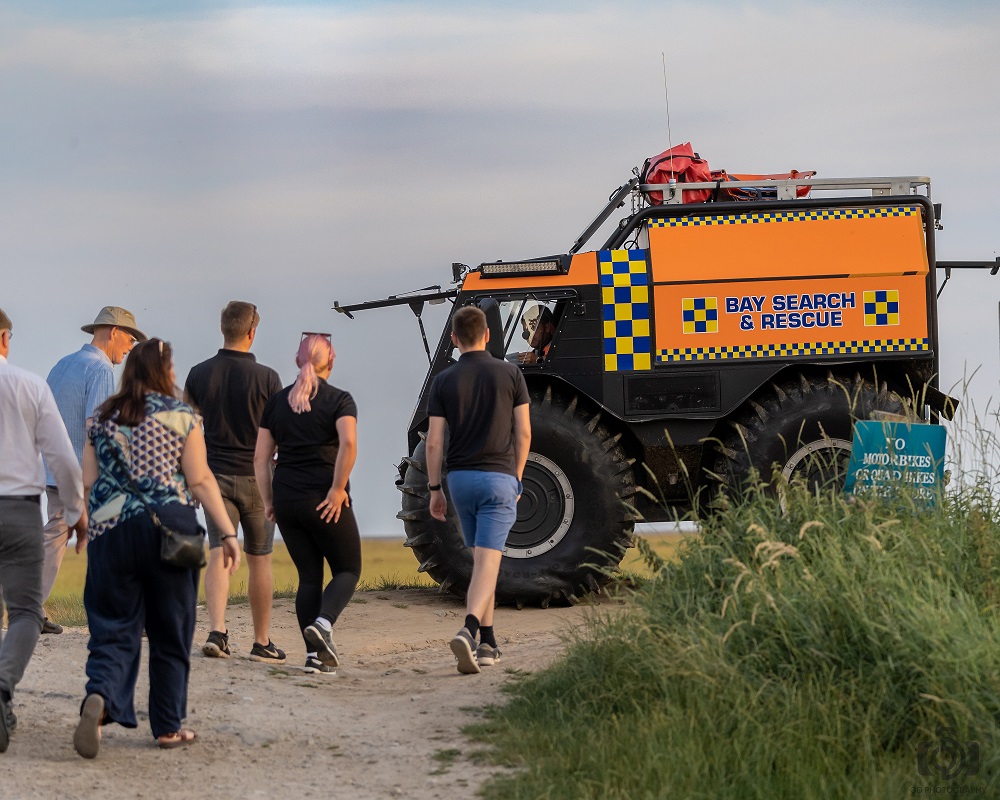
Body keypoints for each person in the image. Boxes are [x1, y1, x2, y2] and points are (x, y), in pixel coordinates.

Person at [74, 338, 241, 758]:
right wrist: (228, 533)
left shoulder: (102, 418)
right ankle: (167, 726)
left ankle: (101, 697)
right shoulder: (183, 417)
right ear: (165, 373)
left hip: (111, 530)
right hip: (171, 530)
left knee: (112, 625)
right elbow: (201, 481)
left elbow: (89, 482)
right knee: (171, 629)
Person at [0, 308, 87, 754]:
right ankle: (1, 687)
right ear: (4, 339)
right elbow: (63, 459)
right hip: (15, 512)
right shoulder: (29, 385)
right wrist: (76, 511)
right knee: (26, 614)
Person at [426, 306, 531, 674]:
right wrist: (517, 476)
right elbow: (524, 433)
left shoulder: (443, 381)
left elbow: (434, 442)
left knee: (480, 562)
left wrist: (435, 488)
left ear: (454, 340)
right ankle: (469, 628)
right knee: (489, 562)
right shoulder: (511, 373)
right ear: (487, 334)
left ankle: (488, 644)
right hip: (499, 478)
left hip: (460, 481)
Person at [184, 301, 284, 663]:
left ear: (223, 329)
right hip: (258, 480)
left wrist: (190, 478)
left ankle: (217, 631)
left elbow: (188, 430)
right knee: (260, 560)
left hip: (213, 478)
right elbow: (278, 435)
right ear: (252, 332)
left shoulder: (198, 375)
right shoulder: (269, 378)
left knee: (218, 554)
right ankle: (261, 641)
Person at [254, 333, 359, 676]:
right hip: (324, 497)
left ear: (297, 360)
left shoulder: (277, 402)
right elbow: (348, 443)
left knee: (309, 578)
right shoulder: (340, 400)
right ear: (333, 360)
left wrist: (270, 501)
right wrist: (337, 489)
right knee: (347, 570)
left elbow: (261, 458)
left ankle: (314, 657)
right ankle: (325, 625)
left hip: (287, 499)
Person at [41, 305, 146, 634]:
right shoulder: (100, 369)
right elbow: (96, 428)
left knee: (56, 535)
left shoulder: (62, 365)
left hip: (51, 468)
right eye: (129, 339)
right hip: (83, 472)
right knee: (121, 535)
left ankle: (29, 608)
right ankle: (129, 615)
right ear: (113, 332)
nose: (130, 348)